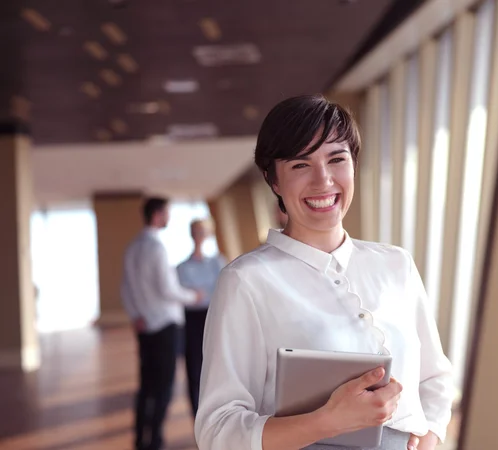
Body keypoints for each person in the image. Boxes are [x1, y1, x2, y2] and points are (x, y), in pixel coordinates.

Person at [195, 95, 454, 450]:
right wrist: (327, 422)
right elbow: (216, 430)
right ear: (274, 181)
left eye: (336, 159)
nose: (323, 180)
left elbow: (434, 376)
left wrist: (430, 437)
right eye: (301, 165)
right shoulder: (246, 282)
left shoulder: (396, 264)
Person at [121, 196, 203, 450]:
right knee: (164, 387)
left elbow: (125, 289)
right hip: (166, 326)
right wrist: (194, 295)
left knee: (146, 385)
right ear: (157, 215)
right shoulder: (157, 248)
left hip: (145, 326)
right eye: (166, 213)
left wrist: (136, 316)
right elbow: (167, 289)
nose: (168, 218)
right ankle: (154, 440)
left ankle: (140, 438)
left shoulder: (133, 247)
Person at [176, 219, 226, 417]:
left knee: (218, 368)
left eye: (203, 231)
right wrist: (202, 293)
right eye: (196, 231)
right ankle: (198, 420)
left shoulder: (218, 262)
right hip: (192, 321)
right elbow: (184, 296)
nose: (200, 235)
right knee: (195, 371)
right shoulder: (181, 267)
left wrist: (199, 293)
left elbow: (221, 290)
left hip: (214, 317)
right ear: (191, 234)